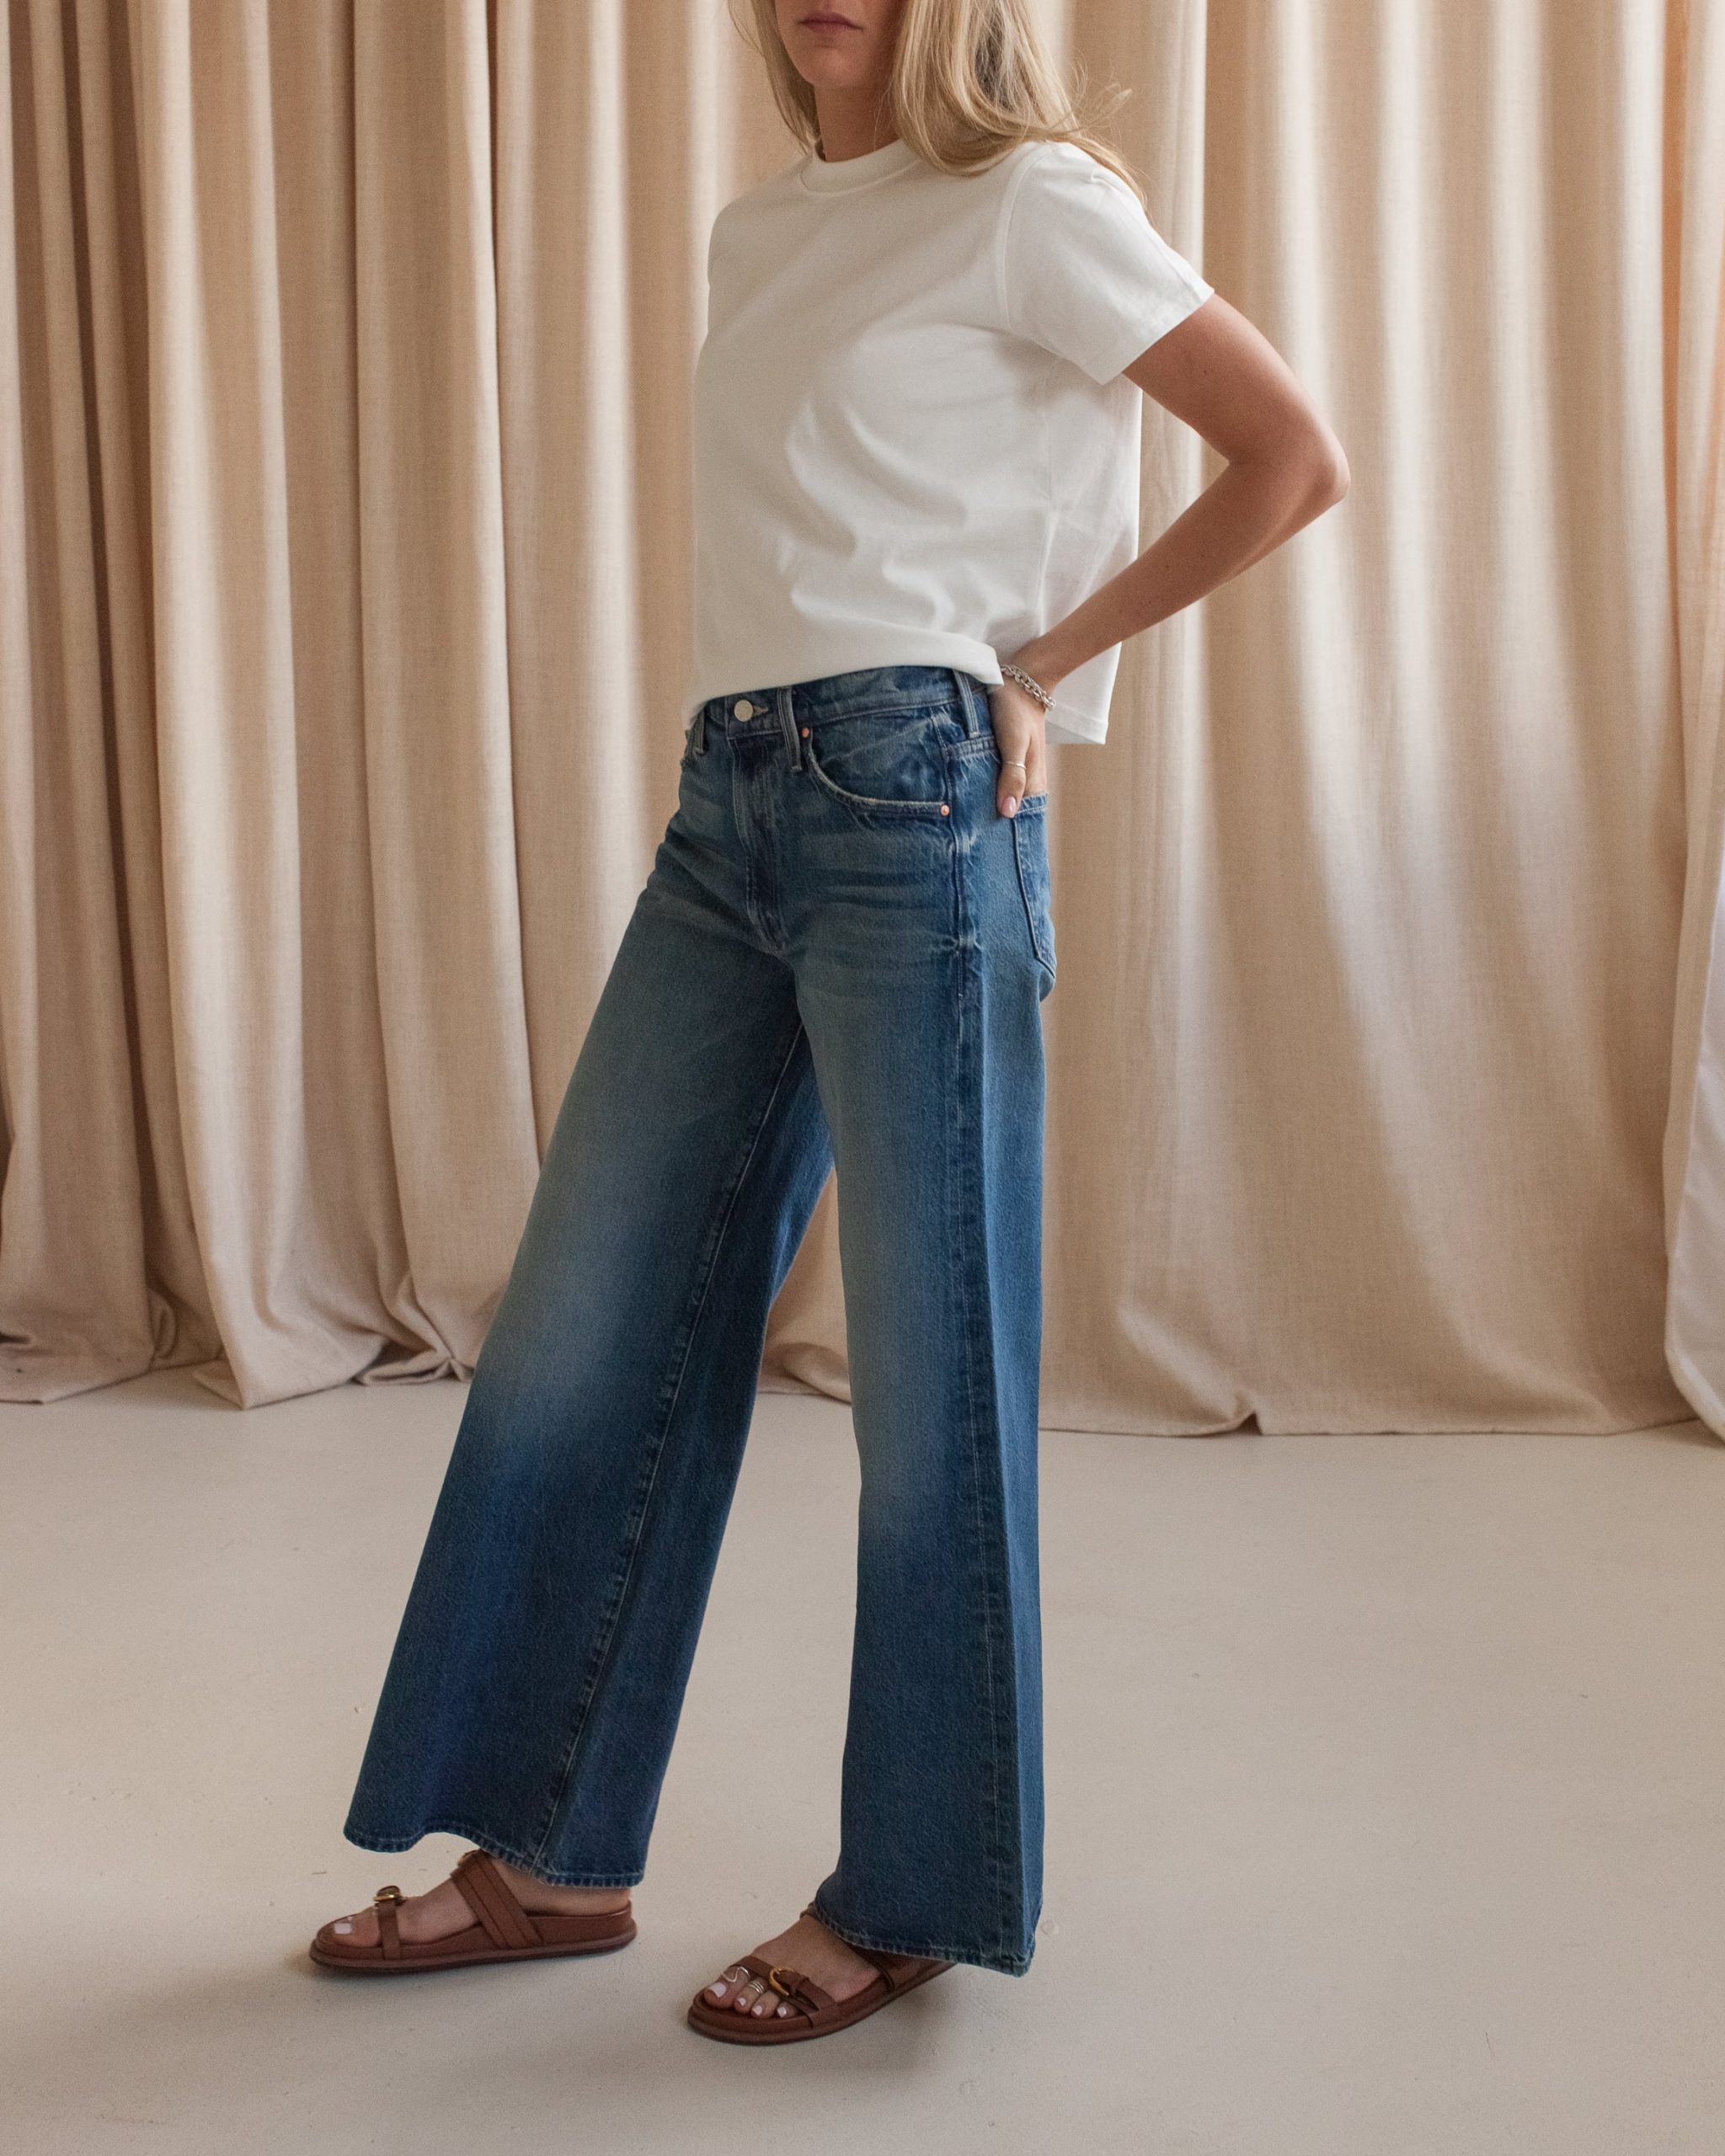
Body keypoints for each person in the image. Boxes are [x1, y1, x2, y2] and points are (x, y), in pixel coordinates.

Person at [307, 0, 1346, 2045]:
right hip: (734, 799)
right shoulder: (761, 229)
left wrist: (1043, 664)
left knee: (931, 1378)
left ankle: (914, 1888)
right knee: (583, 1323)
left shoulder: (1034, 202)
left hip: (916, 790)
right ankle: (554, 1847)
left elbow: (1288, 455)